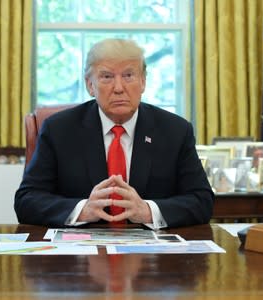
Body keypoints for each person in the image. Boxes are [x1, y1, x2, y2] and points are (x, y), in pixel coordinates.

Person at [14, 38, 214, 229]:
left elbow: (202, 201)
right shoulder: (59, 130)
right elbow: (27, 200)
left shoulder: (175, 131)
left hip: (153, 256)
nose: (119, 88)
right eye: (107, 77)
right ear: (90, 85)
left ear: (143, 82)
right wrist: (83, 210)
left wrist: (147, 211)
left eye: (128, 75)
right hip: (80, 256)